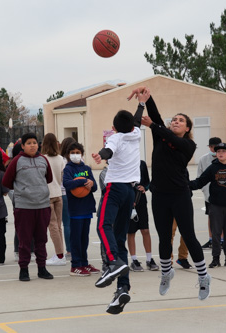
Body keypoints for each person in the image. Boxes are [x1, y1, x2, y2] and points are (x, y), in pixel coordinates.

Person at [135, 87, 211, 301]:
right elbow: (157, 119)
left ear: (187, 128)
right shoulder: (160, 137)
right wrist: (148, 99)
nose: (176, 122)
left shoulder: (188, 144)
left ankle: (204, 277)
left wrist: (154, 125)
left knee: (188, 235)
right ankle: (166, 273)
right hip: (159, 195)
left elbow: (163, 130)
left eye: (180, 121)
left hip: (180, 195)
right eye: (174, 119)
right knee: (164, 238)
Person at [91, 89, 147, 315]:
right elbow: (134, 121)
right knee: (119, 237)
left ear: (113, 128)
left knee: (102, 226)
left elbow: (109, 150)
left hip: (114, 189)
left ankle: (112, 263)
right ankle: (122, 288)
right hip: (130, 192)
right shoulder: (136, 134)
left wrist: (100, 155)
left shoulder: (115, 137)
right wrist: (141, 103)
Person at [2, 132, 54, 282]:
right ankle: (23, 269)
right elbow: (6, 181)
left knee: (41, 239)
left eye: (35, 142)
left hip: (43, 205)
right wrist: (23, 191)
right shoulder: (17, 161)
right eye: (29, 143)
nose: (32, 145)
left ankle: (42, 268)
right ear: (23, 146)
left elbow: (48, 178)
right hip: (24, 207)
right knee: (24, 240)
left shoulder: (43, 160)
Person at [189, 143, 226, 269]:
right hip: (215, 205)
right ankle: (216, 259)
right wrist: (186, 184)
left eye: (223, 151)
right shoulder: (212, 168)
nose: (220, 153)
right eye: (218, 151)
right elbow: (200, 181)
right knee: (216, 233)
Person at [63, 142, 99, 276]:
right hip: (75, 209)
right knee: (76, 238)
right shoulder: (68, 169)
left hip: (87, 207)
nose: (75, 155)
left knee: (84, 238)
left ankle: (84, 263)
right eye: (73, 153)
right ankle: (75, 265)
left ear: (82, 154)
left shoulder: (87, 168)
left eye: (78, 153)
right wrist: (83, 180)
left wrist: (91, 183)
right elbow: (67, 183)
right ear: (68, 155)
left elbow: (94, 187)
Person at [128, 160, 159, 272]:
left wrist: (144, 187)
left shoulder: (141, 163)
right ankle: (134, 260)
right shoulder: (123, 162)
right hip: (128, 199)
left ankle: (149, 259)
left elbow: (147, 181)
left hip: (141, 199)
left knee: (145, 230)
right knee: (131, 231)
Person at [42, 133, 67, 266]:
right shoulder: (60, 159)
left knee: (52, 226)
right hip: (58, 193)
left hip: (47, 195)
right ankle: (60, 253)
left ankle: (59, 255)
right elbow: (62, 177)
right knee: (58, 226)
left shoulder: (42, 159)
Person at [197, 137, 222, 249]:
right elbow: (200, 176)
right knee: (211, 216)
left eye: (216, 147)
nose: (213, 149)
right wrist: (204, 189)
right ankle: (211, 239)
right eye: (212, 147)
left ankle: (222, 240)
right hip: (209, 194)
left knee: (222, 218)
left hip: (223, 194)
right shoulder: (203, 159)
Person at [60, 137, 76, 260]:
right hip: (76, 193)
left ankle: (70, 251)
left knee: (67, 223)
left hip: (64, 193)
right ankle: (76, 249)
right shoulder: (79, 160)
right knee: (76, 222)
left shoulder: (61, 160)